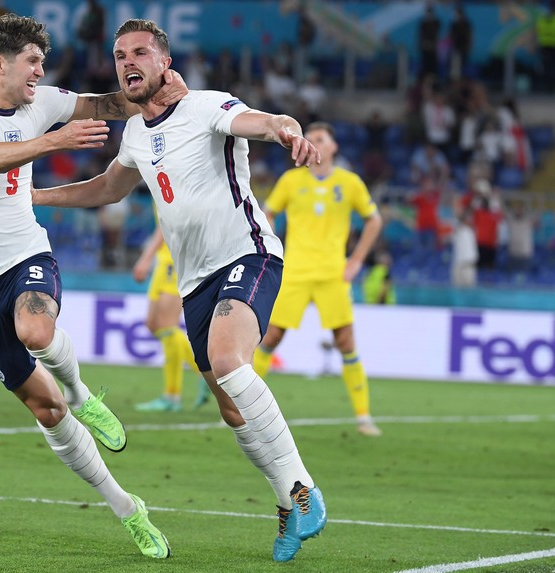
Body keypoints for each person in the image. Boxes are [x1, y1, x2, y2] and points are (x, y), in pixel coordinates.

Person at [32, 19, 326, 563]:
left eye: (139, 52)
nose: (127, 63)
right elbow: (106, 189)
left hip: (247, 253)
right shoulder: (137, 133)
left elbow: (260, 121)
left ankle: (304, 490)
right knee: (232, 409)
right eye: (119, 55)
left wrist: (287, 129)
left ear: (164, 61)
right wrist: (34, 196)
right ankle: (287, 500)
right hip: (193, 282)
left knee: (230, 361)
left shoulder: (208, 106)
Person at [0, 14, 188, 558]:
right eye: (32, 61)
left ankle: (82, 394)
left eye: (42, 62)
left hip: (26, 250)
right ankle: (127, 508)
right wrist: (55, 141)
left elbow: (106, 104)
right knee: (45, 412)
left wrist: (161, 85)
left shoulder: (39, 102)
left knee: (36, 327)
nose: (41, 71)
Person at [252, 122, 383, 438]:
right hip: (295, 272)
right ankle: (241, 412)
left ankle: (364, 417)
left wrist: (356, 260)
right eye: (308, 140)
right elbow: (265, 214)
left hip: (332, 275)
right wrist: (272, 246)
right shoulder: (291, 180)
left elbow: (374, 220)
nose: (314, 144)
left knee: (346, 342)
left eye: (320, 140)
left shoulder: (349, 183)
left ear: (334, 146)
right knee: (270, 338)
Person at [131, 220, 207, 412]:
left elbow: (169, 224)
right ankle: (205, 374)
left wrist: (145, 258)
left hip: (176, 258)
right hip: (163, 259)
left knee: (166, 326)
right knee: (153, 323)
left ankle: (173, 395)